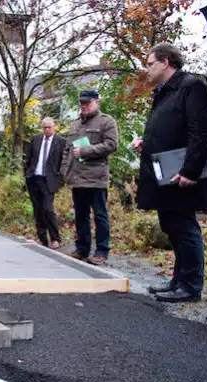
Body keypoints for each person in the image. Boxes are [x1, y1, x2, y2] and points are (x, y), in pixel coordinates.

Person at [132, 42, 207, 303]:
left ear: (165, 62)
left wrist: (190, 170)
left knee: (184, 227)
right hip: (165, 173)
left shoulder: (191, 87)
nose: (147, 69)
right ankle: (178, 281)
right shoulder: (166, 92)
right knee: (173, 226)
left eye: (150, 63)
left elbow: (199, 132)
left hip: (181, 174)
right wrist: (148, 143)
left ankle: (190, 286)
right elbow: (171, 129)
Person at [61, 89, 118, 265]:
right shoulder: (75, 124)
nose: (84, 106)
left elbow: (111, 145)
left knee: (100, 215)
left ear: (96, 102)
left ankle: (102, 251)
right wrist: (64, 171)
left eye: (88, 103)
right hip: (77, 178)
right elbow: (67, 151)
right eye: (82, 103)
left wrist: (86, 151)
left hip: (96, 178)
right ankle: (82, 248)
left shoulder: (106, 122)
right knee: (80, 215)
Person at [24, 117, 66, 249]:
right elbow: (28, 159)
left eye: (49, 127)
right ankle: (42, 239)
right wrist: (27, 173)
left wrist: (60, 178)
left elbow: (63, 162)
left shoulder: (61, 141)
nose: (47, 129)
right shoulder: (35, 140)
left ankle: (55, 238)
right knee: (38, 210)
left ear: (54, 127)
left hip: (49, 180)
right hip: (34, 178)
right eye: (44, 127)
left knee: (48, 209)